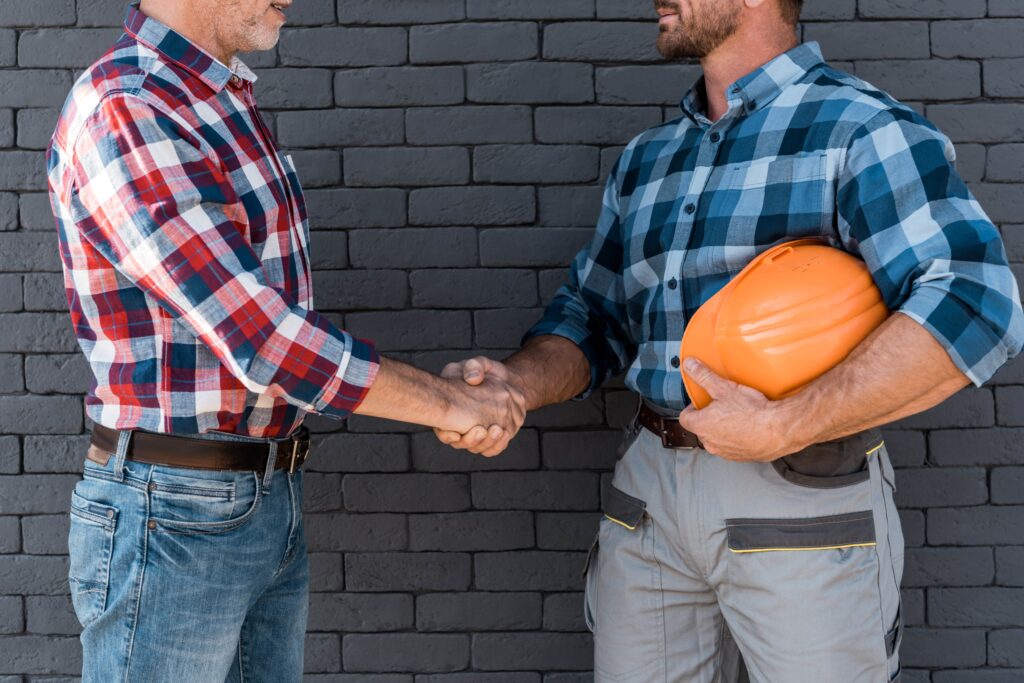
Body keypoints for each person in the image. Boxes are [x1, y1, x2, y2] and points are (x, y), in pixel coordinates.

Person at [437, 0, 1024, 680]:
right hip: (649, 492)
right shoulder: (647, 160)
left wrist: (785, 423)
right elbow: (594, 316)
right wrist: (515, 385)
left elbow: (976, 301)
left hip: (799, 486)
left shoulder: (860, 129)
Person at [46, 1, 523, 680]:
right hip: (174, 511)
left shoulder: (218, 101)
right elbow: (261, 337)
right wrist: (450, 404)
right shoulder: (130, 105)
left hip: (263, 496)